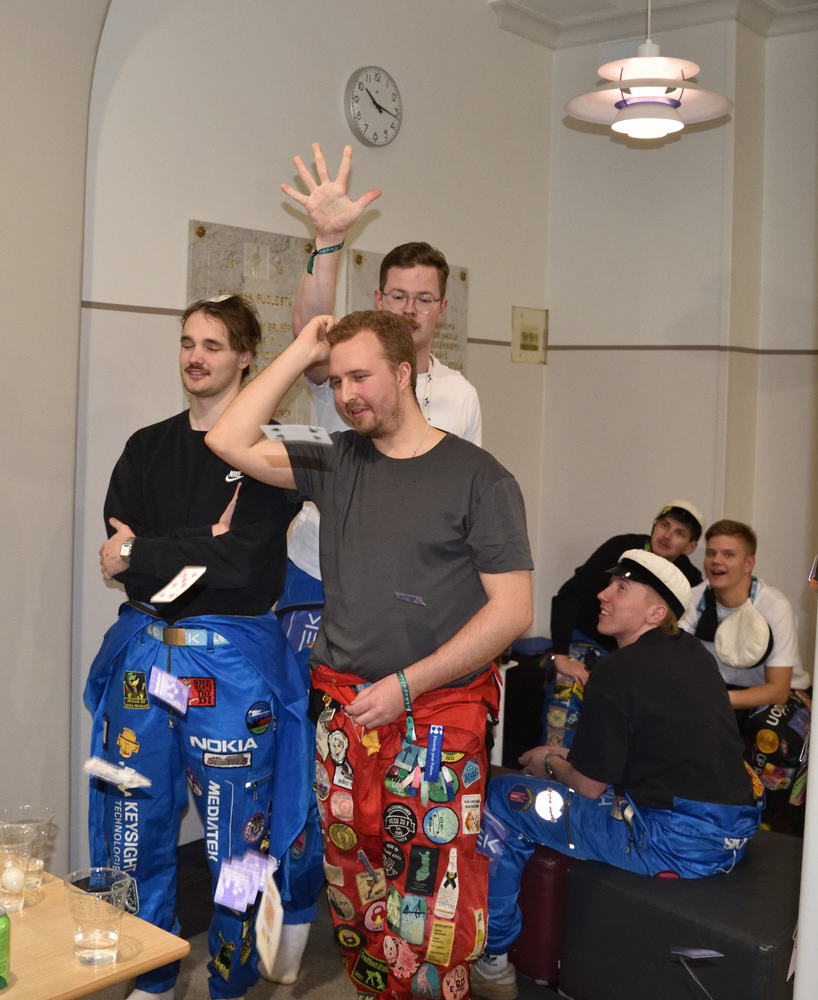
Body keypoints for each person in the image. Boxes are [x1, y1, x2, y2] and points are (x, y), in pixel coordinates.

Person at [205, 309, 534, 1000]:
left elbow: (512, 612)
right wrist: (303, 348)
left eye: (362, 377)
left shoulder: (481, 478)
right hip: (346, 714)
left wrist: (406, 686)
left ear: (405, 373)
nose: (347, 393)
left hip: (437, 717)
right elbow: (227, 438)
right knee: (356, 894)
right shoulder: (334, 457)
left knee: (430, 902)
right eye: (337, 379)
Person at [268, 143, 485, 982]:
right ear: (378, 299)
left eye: (424, 298)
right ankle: (299, 929)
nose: (410, 308)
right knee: (311, 768)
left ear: (440, 311)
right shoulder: (348, 368)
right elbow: (310, 327)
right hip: (319, 586)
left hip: (406, 608)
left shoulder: (459, 397)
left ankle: (412, 941)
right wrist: (327, 241)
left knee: (402, 786)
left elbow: (463, 516)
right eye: (396, 294)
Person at [82, 294, 305, 1000]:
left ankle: (231, 981)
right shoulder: (146, 447)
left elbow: (241, 564)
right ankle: (149, 978)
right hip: (145, 656)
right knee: (132, 827)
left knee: (238, 842)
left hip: (232, 668)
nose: (196, 357)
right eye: (187, 342)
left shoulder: (271, 454)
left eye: (213, 345)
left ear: (246, 357)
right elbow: (120, 560)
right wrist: (200, 543)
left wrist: (153, 551)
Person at [472, 550, 763, 1000]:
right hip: (735, 834)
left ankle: (493, 962)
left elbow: (589, 786)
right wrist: (567, 756)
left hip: (674, 845)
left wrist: (549, 764)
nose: (602, 594)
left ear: (656, 612)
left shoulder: (615, 671)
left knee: (504, 796)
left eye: (621, 588)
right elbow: (651, 748)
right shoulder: (693, 656)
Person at [678, 519, 812, 823]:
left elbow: (778, 690)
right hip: (718, 692)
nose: (716, 561)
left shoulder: (774, 606)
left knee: (770, 732)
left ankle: (769, 819)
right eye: (711, 553)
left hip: (776, 697)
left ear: (748, 563)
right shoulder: (694, 599)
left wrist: (716, 701)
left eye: (728, 554)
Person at [540, 501, 704, 748]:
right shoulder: (622, 550)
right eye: (664, 525)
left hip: (640, 657)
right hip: (587, 641)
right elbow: (568, 595)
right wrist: (561, 656)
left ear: (690, 546)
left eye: (679, 533)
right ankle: (552, 763)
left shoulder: (688, 580)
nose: (667, 535)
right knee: (567, 685)